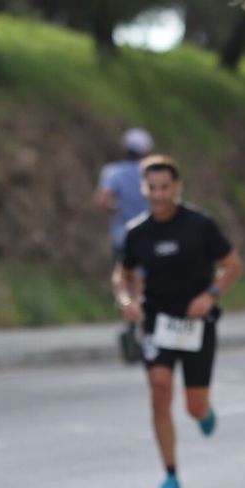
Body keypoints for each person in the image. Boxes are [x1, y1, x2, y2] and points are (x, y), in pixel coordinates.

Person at [113, 156, 244, 488]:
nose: (157, 195)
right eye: (151, 188)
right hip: (157, 322)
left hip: (197, 322)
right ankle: (170, 475)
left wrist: (210, 295)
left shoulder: (200, 225)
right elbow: (123, 273)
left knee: (193, 407)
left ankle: (204, 411)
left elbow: (232, 265)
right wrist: (127, 300)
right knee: (159, 390)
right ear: (143, 189)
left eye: (164, 188)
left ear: (177, 187)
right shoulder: (137, 232)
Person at [95, 127, 155, 362]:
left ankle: (130, 326)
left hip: (122, 237)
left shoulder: (113, 173)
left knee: (124, 283)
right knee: (142, 284)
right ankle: (141, 330)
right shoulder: (151, 175)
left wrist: (117, 207)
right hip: (148, 238)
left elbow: (104, 202)